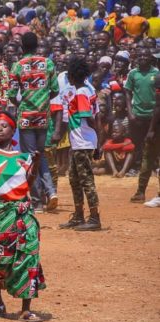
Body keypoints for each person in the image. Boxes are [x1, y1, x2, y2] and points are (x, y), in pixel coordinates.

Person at [0, 111, 45, 322]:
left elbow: (29, 184)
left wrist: (36, 162)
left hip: (24, 211)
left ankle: (26, 309)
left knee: (29, 256)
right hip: (1, 211)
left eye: (4, 126)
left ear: (13, 130)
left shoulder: (24, 157)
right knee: (3, 259)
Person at [8, 32, 59, 212]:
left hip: (26, 117)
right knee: (41, 154)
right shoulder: (48, 63)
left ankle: (37, 201)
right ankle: (51, 191)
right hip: (43, 116)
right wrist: (43, 100)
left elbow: (12, 95)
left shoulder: (17, 66)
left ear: (22, 46)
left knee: (30, 157)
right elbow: (55, 90)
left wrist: (23, 103)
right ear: (38, 45)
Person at [59, 57, 102, 231]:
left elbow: (88, 117)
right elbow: (97, 115)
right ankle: (78, 216)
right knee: (74, 179)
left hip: (83, 141)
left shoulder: (81, 92)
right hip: (79, 141)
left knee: (86, 180)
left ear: (72, 75)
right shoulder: (88, 89)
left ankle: (94, 218)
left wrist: (96, 140)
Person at [125, 48, 159, 184]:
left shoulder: (156, 73)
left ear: (151, 58)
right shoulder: (133, 73)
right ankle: (137, 167)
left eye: (146, 55)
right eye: (140, 55)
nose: (143, 57)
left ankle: (154, 167)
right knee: (138, 144)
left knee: (153, 142)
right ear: (137, 58)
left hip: (154, 116)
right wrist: (130, 111)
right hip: (137, 115)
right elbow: (127, 91)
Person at [131, 71, 160, 207]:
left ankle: (142, 192)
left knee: (148, 157)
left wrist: (151, 129)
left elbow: (158, 107)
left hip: (157, 127)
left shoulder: (158, 78)